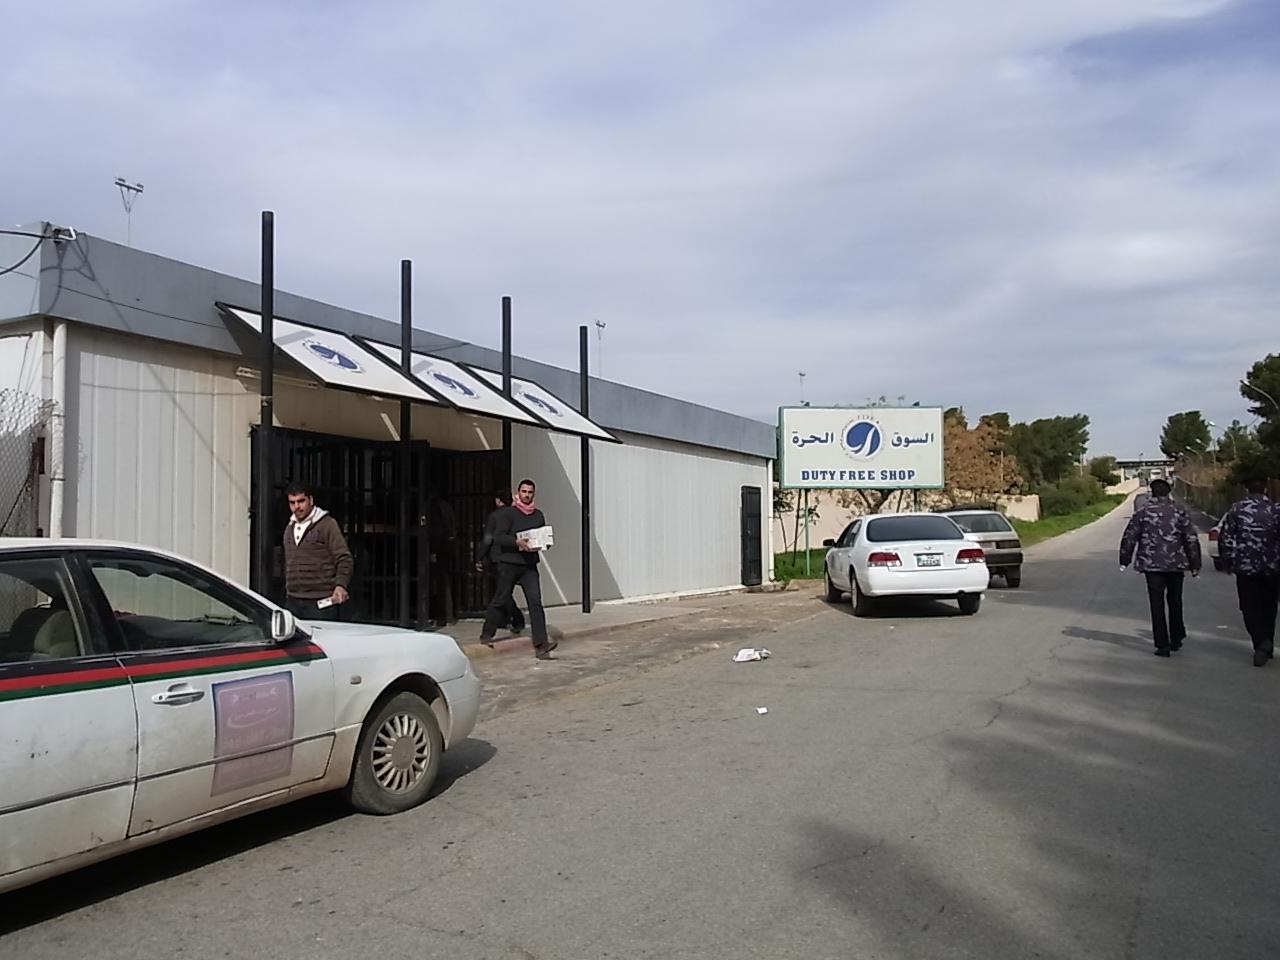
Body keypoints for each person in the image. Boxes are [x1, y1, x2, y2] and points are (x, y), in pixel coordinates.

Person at [1120, 479, 1201, 657]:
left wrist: (1124, 559)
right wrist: (1195, 564)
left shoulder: (1143, 512)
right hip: (1175, 564)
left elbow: (1130, 536)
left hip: (1152, 565)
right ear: (1169, 492)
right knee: (1175, 600)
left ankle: (1162, 645)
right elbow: (1190, 538)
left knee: (1156, 603)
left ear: (1152, 492)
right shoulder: (1179, 511)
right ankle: (1176, 637)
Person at [478, 478, 555, 659]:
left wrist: (544, 543)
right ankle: (487, 633)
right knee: (501, 598)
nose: (527, 495)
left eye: (530, 492)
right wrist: (516, 542)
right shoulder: (508, 514)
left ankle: (541, 645)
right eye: (524, 492)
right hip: (509, 563)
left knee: (535, 602)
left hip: (529, 565)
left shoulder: (538, 515)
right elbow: (499, 537)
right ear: (518, 493)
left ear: (534, 494)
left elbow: (542, 537)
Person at [1217, 478, 1280, 667]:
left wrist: (1227, 561)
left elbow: (1226, 537)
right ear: (1265, 490)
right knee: (1269, 606)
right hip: (1272, 567)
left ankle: (1261, 642)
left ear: (1246, 490)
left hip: (1246, 567)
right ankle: (1267, 643)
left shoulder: (1237, 509)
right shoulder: (1275, 510)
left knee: (1249, 607)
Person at [283, 482, 354, 621]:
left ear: (311, 500)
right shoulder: (289, 528)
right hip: (293, 599)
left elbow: (344, 558)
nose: (297, 507)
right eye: (292, 502)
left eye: (301, 501)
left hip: (321, 600)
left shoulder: (327, 524)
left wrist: (340, 585)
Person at [476, 488, 526, 637]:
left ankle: (514, 620)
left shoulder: (495, 516)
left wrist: (480, 556)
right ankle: (514, 619)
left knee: (502, 593)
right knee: (504, 592)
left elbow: (488, 539)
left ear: (498, 501)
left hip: (497, 558)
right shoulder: (515, 515)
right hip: (512, 557)